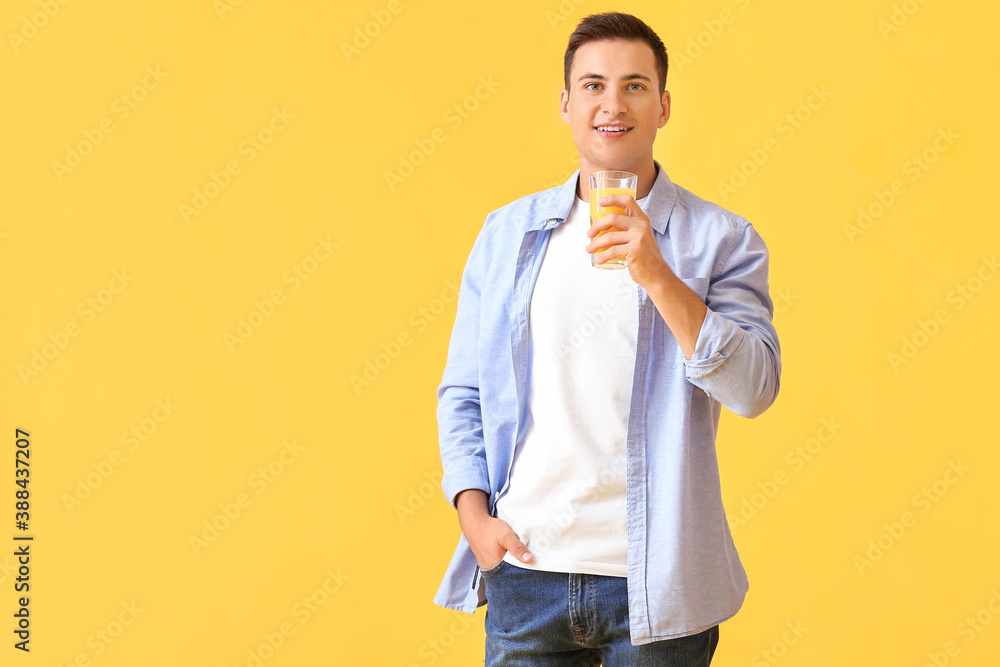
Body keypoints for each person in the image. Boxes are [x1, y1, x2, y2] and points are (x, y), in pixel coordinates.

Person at [433, 11, 781, 666]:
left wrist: (657, 274)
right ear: (567, 105)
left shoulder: (722, 239)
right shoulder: (507, 234)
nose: (612, 105)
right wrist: (474, 516)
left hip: (661, 583)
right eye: (593, 85)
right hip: (525, 571)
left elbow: (754, 388)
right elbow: (464, 392)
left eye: (634, 86)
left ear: (663, 106)